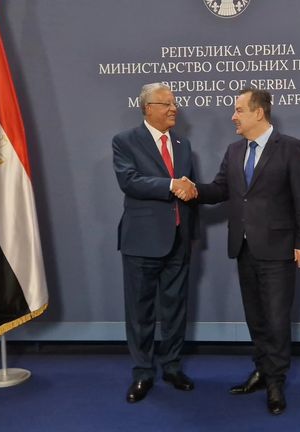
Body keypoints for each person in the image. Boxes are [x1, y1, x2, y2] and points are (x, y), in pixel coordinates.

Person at [188, 88, 300, 415]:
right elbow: (220, 189)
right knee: (256, 317)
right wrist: (193, 189)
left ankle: (275, 382)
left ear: (259, 112)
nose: (233, 116)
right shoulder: (234, 151)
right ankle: (261, 371)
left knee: (276, 319)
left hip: (278, 249)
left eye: (239, 110)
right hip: (244, 247)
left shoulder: (291, 148)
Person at [112, 82, 198, 403]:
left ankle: (172, 367)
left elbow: (189, 191)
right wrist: (172, 185)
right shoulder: (125, 141)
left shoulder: (184, 144)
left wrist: (191, 231)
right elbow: (129, 181)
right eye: (167, 104)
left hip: (178, 239)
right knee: (140, 311)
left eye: (174, 103)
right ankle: (143, 372)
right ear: (148, 108)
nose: (174, 109)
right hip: (141, 240)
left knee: (175, 308)